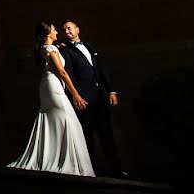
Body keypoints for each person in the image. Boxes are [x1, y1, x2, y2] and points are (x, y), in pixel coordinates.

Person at [7, 22, 95, 176]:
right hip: (54, 86)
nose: (57, 32)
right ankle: (63, 160)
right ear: (48, 34)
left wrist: (59, 49)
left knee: (55, 120)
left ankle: (53, 157)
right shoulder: (51, 49)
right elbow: (62, 72)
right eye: (55, 30)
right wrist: (75, 93)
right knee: (66, 119)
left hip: (48, 85)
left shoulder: (47, 48)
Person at [60, 19, 126, 178]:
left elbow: (100, 68)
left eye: (69, 29)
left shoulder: (89, 45)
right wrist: (76, 95)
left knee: (107, 134)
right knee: (87, 136)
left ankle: (117, 170)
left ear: (77, 30)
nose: (67, 32)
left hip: (100, 97)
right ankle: (94, 171)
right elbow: (69, 73)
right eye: (64, 30)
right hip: (84, 99)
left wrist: (111, 90)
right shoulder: (65, 50)